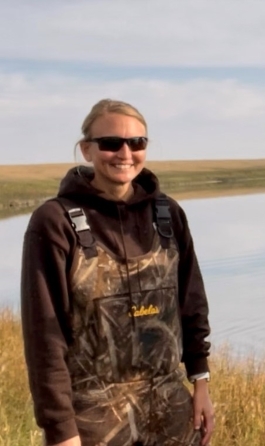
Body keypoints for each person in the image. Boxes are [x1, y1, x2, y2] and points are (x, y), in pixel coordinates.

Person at [21, 99, 214, 446]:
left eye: (137, 142)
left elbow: (192, 304)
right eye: (110, 143)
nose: (125, 153)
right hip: (93, 420)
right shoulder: (55, 222)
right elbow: (45, 340)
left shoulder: (168, 214)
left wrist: (200, 381)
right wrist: (60, 430)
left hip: (171, 411)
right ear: (86, 150)